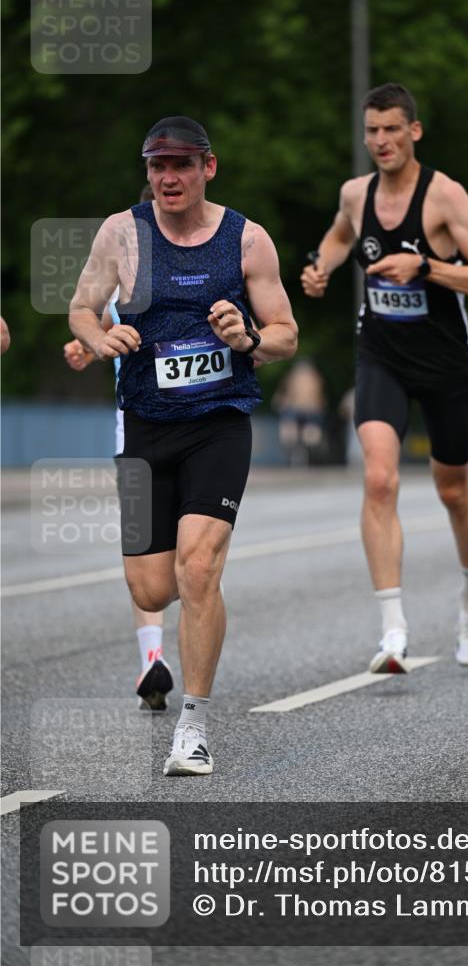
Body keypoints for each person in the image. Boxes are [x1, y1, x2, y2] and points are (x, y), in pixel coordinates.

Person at [69, 116, 298, 775]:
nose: (168, 178)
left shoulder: (246, 240)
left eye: (181, 165)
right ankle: (182, 618)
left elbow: (285, 333)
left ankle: (193, 727)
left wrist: (246, 336)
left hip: (218, 422)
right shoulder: (122, 233)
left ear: (208, 168)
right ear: (147, 172)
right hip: (145, 423)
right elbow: (82, 307)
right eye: (156, 166)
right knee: (150, 588)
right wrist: (97, 335)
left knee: (198, 569)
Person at [301, 84, 468, 673]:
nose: (381, 141)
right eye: (372, 131)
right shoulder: (355, 194)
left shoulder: (445, 198)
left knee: (452, 489)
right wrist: (321, 267)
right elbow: (341, 234)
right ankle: (393, 630)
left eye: (392, 129)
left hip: (443, 362)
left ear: (414, 132)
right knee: (381, 480)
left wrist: (428, 268)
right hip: (381, 354)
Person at [64, 185, 172, 714]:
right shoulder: (119, 258)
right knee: (142, 551)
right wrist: (90, 344)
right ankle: (152, 659)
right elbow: (102, 321)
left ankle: (180, 635)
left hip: (197, 429)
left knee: (183, 563)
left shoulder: (205, 262)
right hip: (134, 429)